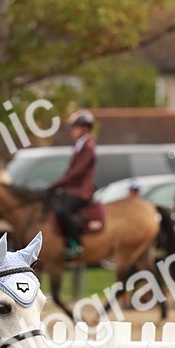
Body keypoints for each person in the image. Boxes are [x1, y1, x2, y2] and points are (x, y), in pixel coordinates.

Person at [48, 109, 97, 258]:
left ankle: (77, 243)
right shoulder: (79, 145)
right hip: (73, 189)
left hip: (81, 191)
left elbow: (76, 173)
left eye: (74, 128)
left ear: (84, 128)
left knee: (64, 211)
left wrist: (55, 185)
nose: (72, 131)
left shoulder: (88, 147)